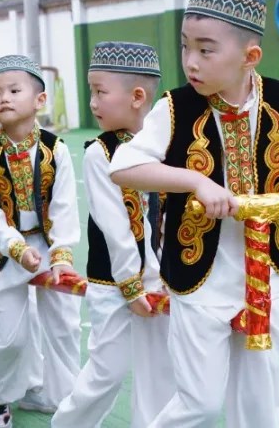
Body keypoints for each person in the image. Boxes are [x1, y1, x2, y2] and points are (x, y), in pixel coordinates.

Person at [109, 0, 279, 428]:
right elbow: (124, 165)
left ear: (249, 57)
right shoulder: (175, 107)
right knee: (199, 401)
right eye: (185, 47)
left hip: (265, 270)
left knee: (261, 394)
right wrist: (195, 181)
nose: (191, 62)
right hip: (201, 275)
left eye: (206, 50)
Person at [52, 41, 173, 428]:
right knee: (106, 370)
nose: (93, 102)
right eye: (92, 92)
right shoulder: (99, 153)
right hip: (114, 283)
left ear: (138, 96)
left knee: (159, 372)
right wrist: (131, 285)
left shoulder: (166, 146)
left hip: (163, 280)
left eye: (100, 92)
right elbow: (117, 229)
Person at [0, 55, 81, 428]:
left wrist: (61, 255)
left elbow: (65, 206)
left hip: (52, 249)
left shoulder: (57, 149)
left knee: (65, 328)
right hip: (8, 254)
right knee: (12, 338)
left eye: (14, 90)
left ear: (39, 100)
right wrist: (16, 248)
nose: (3, 98)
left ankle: (68, 402)